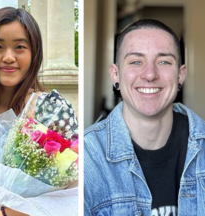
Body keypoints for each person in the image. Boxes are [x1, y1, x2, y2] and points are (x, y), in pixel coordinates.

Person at [0, 7, 78, 216]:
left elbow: (72, 195)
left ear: (34, 53)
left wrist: (5, 214)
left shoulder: (53, 110)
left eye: (19, 47)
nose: (8, 57)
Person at [83, 19, 205, 215]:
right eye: (136, 62)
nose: (150, 74)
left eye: (164, 61)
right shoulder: (86, 157)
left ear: (180, 75)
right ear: (115, 74)